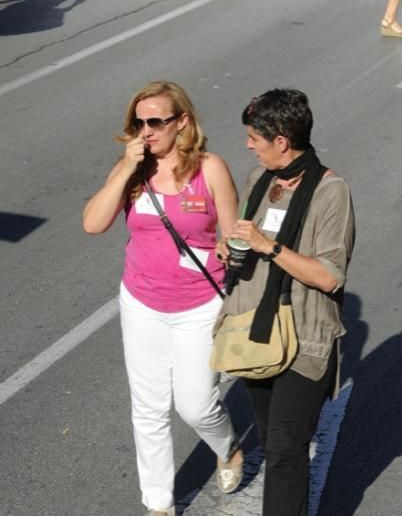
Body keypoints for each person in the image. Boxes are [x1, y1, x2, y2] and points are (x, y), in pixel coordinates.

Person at [82, 81, 243, 516]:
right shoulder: (132, 171)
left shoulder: (210, 169)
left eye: (156, 122)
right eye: (139, 123)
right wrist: (122, 172)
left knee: (195, 405)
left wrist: (230, 248)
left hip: (199, 305)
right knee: (148, 409)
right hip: (142, 304)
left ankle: (227, 448)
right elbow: (93, 224)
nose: (146, 131)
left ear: (182, 123)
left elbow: (233, 233)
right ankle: (158, 504)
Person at [215, 88, 355, 516]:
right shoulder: (261, 181)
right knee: (273, 438)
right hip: (255, 333)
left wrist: (268, 246)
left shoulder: (331, 192)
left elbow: (329, 276)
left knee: (284, 451)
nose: (247, 145)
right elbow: (249, 241)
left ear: (281, 140)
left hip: (305, 341)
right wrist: (230, 247)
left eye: (254, 137)